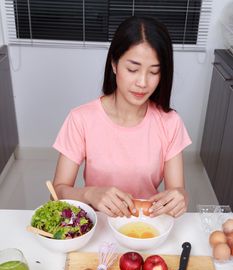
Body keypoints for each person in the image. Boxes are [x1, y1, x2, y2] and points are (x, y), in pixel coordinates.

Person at [52, 16, 191, 218]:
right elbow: (57, 193)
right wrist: (89, 193)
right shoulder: (81, 119)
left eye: (154, 72)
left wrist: (181, 197)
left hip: (147, 227)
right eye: (133, 69)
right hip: (97, 226)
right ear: (115, 64)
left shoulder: (170, 123)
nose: (142, 82)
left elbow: (177, 191)